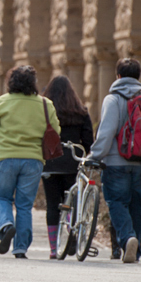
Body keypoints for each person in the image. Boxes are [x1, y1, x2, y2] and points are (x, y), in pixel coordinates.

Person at [89, 58, 141, 264]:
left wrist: (94, 156)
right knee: (137, 205)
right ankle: (135, 249)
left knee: (117, 202)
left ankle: (127, 237)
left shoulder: (112, 100)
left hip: (116, 163)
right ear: (138, 77)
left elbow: (106, 133)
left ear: (118, 76)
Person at [0, 65, 59, 259]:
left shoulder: (3, 101)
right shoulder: (44, 104)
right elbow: (56, 131)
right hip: (33, 160)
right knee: (25, 205)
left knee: (2, 198)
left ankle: (6, 225)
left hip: (6, 158)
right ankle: (20, 248)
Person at [40, 75, 93, 259]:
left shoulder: (44, 111)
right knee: (72, 204)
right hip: (72, 162)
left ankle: (54, 250)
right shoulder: (81, 112)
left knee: (52, 206)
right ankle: (71, 235)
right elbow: (88, 141)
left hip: (50, 162)